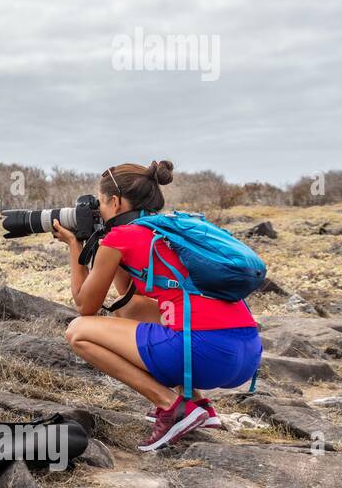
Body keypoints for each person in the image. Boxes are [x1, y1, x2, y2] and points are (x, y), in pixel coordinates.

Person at [51, 160, 261, 452]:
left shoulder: (121, 237)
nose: (98, 209)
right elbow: (128, 297)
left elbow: (86, 307)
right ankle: (197, 403)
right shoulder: (169, 229)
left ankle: (173, 408)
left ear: (115, 201)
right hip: (246, 355)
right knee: (132, 310)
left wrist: (75, 247)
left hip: (207, 353)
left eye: (100, 202)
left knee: (78, 331)